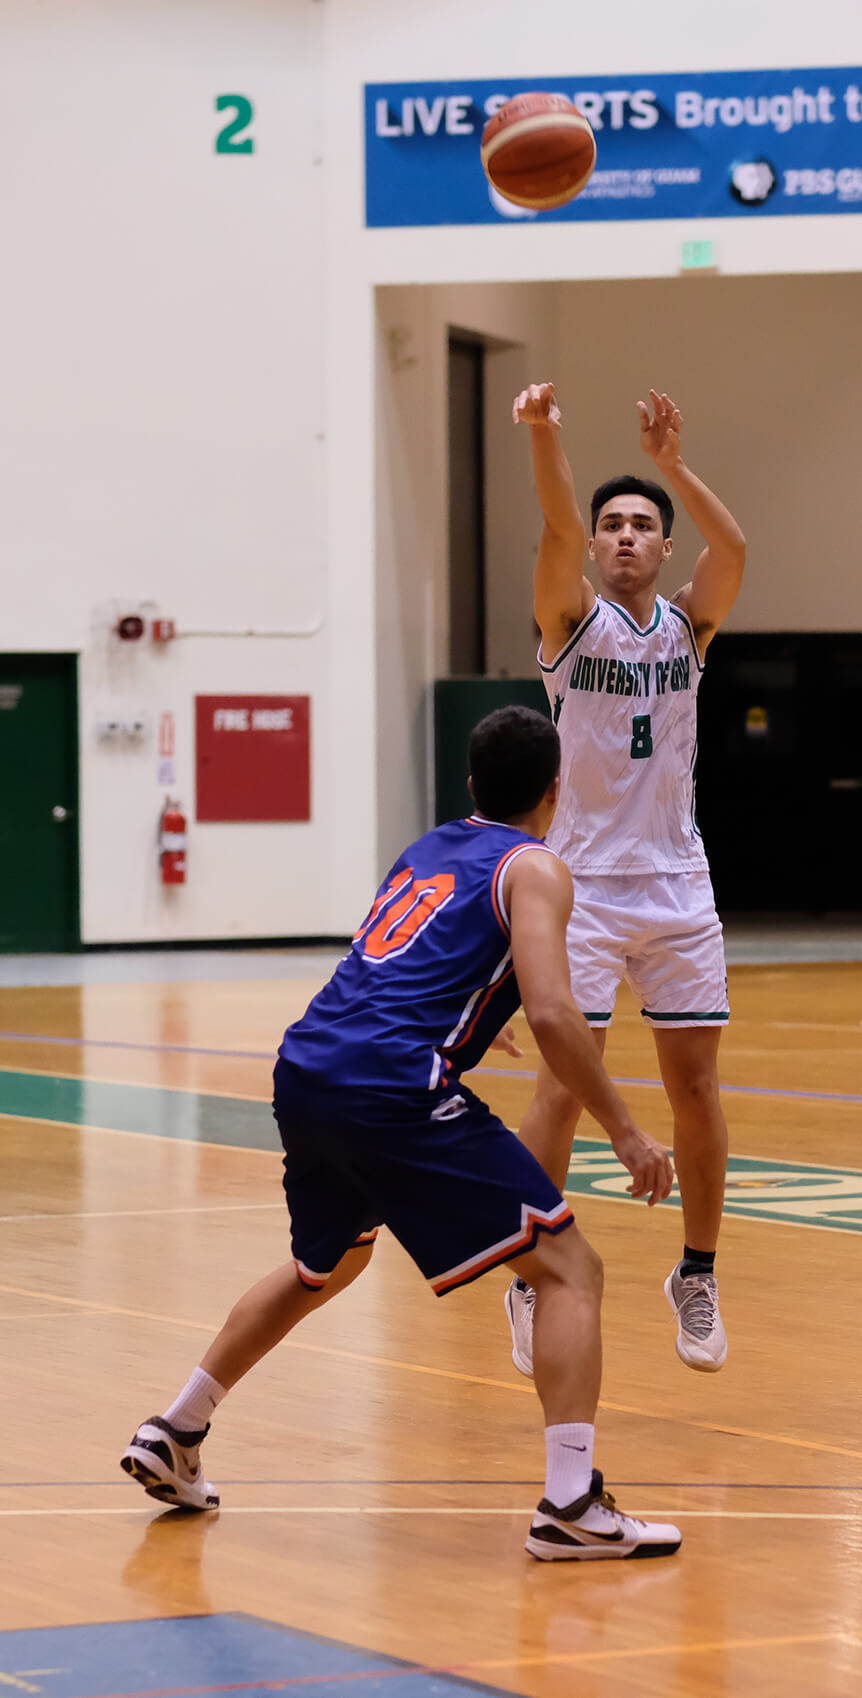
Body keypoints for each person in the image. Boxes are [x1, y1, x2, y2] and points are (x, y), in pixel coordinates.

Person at [121, 707, 681, 1562]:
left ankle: (178, 1425)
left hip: (308, 1065)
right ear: (557, 790)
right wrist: (627, 1131)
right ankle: (571, 1503)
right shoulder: (537, 867)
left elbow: (404, 958)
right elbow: (555, 1011)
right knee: (570, 1268)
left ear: (469, 787)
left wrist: (472, 1015)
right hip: (390, 1084)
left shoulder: (429, 847)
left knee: (329, 1262)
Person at [505, 383, 746, 1377]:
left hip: (679, 885)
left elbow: (733, 554)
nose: (626, 537)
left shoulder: (689, 630)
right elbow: (556, 521)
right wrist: (544, 435)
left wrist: (678, 464)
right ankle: (530, 1273)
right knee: (563, 1088)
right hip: (588, 887)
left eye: (645, 525)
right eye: (613, 525)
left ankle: (695, 1272)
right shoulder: (570, 623)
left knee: (696, 1086)